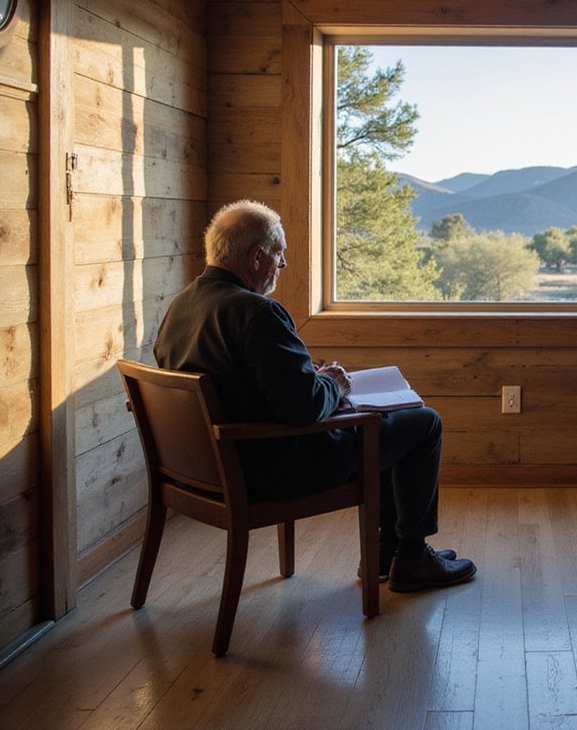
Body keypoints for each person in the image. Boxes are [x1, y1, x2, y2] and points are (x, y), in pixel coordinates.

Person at [154, 199, 476, 593]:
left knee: (390, 428)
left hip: (210, 467)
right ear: (257, 256)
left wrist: (312, 379)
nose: (283, 264)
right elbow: (304, 409)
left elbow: (251, 385)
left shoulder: (181, 306)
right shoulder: (257, 313)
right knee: (421, 423)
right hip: (275, 467)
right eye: (280, 253)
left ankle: (384, 552)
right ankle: (409, 557)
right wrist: (334, 384)